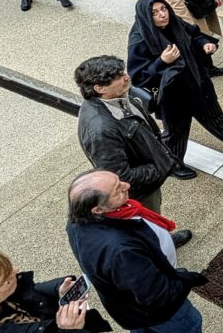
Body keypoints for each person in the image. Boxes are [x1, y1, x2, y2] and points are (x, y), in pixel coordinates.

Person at [66, 170, 208, 333]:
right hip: (153, 309)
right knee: (189, 327)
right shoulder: (120, 251)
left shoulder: (76, 224)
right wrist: (184, 279)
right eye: (117, 190)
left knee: (142, 330)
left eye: (119, 181)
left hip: (126, 307)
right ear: (97, 209)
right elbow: (157, 295)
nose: (127, 186)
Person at [72, 55, 193, 248]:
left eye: (123, 71)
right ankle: (159, 248)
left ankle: (161, 239)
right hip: (140, 191)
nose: (127, 77)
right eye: (118, 76)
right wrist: (159, 167)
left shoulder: (118, 98)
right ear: (99, 88)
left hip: (147, 180)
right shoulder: (101, 129)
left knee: (153, 218)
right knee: (147, 222)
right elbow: (120, 176)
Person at [127, 0, 223, 180]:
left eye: (163, 9)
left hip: (197, 84)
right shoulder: (140, 40)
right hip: (173, 97)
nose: (163, 15)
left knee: (215, 118)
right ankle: (172, 165)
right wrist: (162, 62)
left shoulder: (175, 22)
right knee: (176, 135)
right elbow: (138, 76)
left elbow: (194, 34)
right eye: (155, 13)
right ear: (147, 17)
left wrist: (205, 44)